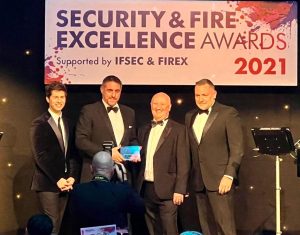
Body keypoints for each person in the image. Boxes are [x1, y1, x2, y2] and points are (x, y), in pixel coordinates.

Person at [185, 79, 244, 235]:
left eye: (204, 94)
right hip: (198, 181)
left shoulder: (228, 113)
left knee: (225, 228)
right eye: (197, 95)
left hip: (220, 181)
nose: (201, 98)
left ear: (214, 94)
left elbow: (237, 148)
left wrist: (229, 176)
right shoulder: (189, 116)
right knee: (206, 228)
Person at [136, 92, 190, 235]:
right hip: (146, 188)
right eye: (155, 104)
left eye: (162, 104)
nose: (158, 107)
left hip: (169, 190)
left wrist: (180, 189)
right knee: (152, 229)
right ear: (150, 106)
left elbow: (183, 161)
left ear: (169, 107)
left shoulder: (179, 130)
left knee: (169, 229)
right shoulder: (143, 129)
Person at [30, 82, 80, 235]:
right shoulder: (39, 123)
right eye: (55, 97)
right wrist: (58, 178)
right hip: (48, 183)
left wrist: (71, 176)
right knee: (51, 226)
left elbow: (72, 153)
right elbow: (40, 157)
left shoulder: (68, 122)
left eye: (62, 97)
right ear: (47, 99)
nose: (59, 100)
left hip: (66, 183)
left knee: (58, 225)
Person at [76, 75, 137, 183]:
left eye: (117, 91)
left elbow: (132, 139)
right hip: (95, 175)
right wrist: (108, 153)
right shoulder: (89, 111)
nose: (113, 95)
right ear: (102, 90)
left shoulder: (129, 112)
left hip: (121, 177)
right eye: (110, 90)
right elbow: (81, 141)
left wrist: (132, 153)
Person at [69, 151, 145, 234]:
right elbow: (140, 207)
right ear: (113, 171)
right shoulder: (122, 191)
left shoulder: (78, 190)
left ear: (91, 169)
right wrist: (125, 181)